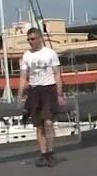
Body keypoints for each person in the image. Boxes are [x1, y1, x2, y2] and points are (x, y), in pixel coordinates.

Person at [17, 27, 66, 167]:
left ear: (39, 38)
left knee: (48, 123)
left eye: (32, 39)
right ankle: (43, 154)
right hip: (34, 90)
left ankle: (50, 152)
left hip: (48, 89)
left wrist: (59, 93)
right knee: (39, 125)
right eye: (28, 39)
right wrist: (20, 95)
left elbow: (57, 74)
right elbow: (23, 77)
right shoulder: (26, 56)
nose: (30, 41)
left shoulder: (50, 53)